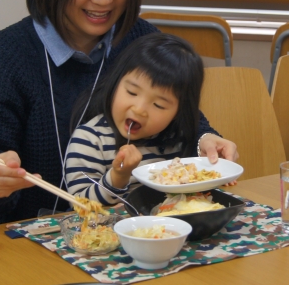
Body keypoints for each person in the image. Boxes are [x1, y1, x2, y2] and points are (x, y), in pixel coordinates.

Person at [0, 0, 237, 228]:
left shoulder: (141, 40)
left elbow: (181, 118)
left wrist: (205, 140)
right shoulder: (5, 54)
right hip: (28, 239)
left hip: (133, 237)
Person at [65, 33, 205, 203]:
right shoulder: (90, 139)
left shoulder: (175, 139)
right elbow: (80, 203)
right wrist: (119, 176)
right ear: (115, 83)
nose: (139, 110)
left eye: (158, 105)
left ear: (179, 111)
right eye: (132, 92)